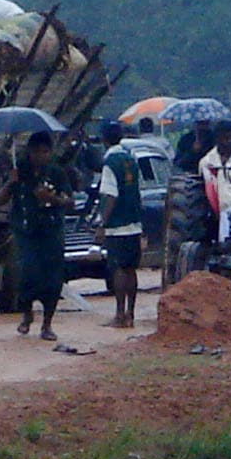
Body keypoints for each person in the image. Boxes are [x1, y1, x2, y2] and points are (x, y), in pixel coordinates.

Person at [0, 132, 74, 340]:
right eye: (37, 152)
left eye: (45, 151)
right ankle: (27, 313)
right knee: (26, 273)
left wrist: (52, 198)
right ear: (29, 153)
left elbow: (70, 202)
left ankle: (47, 324)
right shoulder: (19, 172)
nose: (41, 156)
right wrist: (10, 183)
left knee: (52, 277)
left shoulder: (57, 173)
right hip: (25, 232)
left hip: (51, 231)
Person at [98, 121, 144, 328]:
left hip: (117, 225)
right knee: (131, 269)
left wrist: (102, 223)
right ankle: (131, 314)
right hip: (134, 223)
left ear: (103, 139)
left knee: (118, 269)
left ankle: (119, 315)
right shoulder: (131, 160)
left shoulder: (109, 163)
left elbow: (110, 196)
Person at [198, 121, 231, 245]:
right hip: (216, 207)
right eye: (226, 138)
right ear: (218, 139)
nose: (229, 142)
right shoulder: (207, 162)